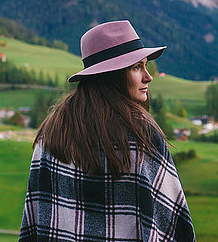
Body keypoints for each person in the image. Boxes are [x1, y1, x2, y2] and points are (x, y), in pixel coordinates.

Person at [18, 20, 196, 241]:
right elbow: (174, 225)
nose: (148, 77)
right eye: (137, 67)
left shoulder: (52, 133)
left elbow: (33, 223)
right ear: (112, 75)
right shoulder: (141, 135)